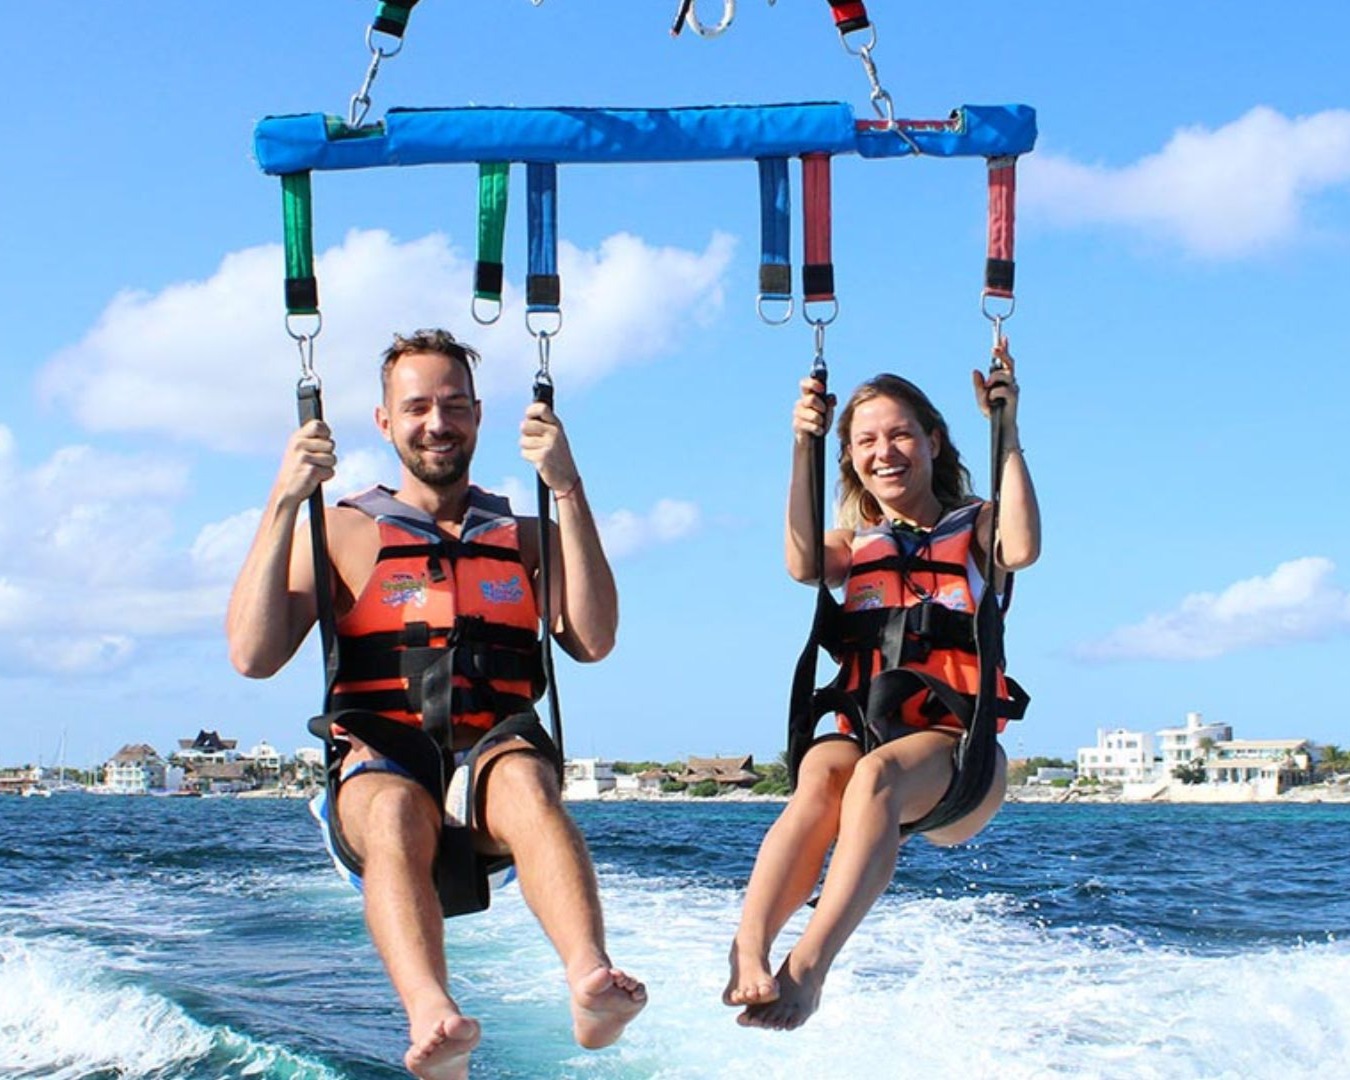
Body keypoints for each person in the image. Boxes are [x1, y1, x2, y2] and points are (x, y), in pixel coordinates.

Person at [226, 329, 646, 1080]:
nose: (437, 423)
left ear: (479, 416)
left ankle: (591, 981)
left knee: (527, 779)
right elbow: (253, 655)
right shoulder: (342, 531)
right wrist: (284, 500)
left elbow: (593, 639)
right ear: (385, 421)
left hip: (492, 767)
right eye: (417, 407)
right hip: (382, 765)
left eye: (454, 406)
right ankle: (432, 1015)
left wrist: (568, 487)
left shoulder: (526, 535)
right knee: (394, 809)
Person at [724, 337, 1040, 1031]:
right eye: (865, 440)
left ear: (933, 442)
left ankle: (808, 968)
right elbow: (802, 563)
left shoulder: (978, 527)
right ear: (850, 457)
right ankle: (748, 946)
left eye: (900, 435)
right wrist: (802, 445)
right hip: (868, 738)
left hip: (959, 761)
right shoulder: (852, 544)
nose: (884, 452)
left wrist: (1007, 431)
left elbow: (1020, 548)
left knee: (874, 777)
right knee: (821, 774)